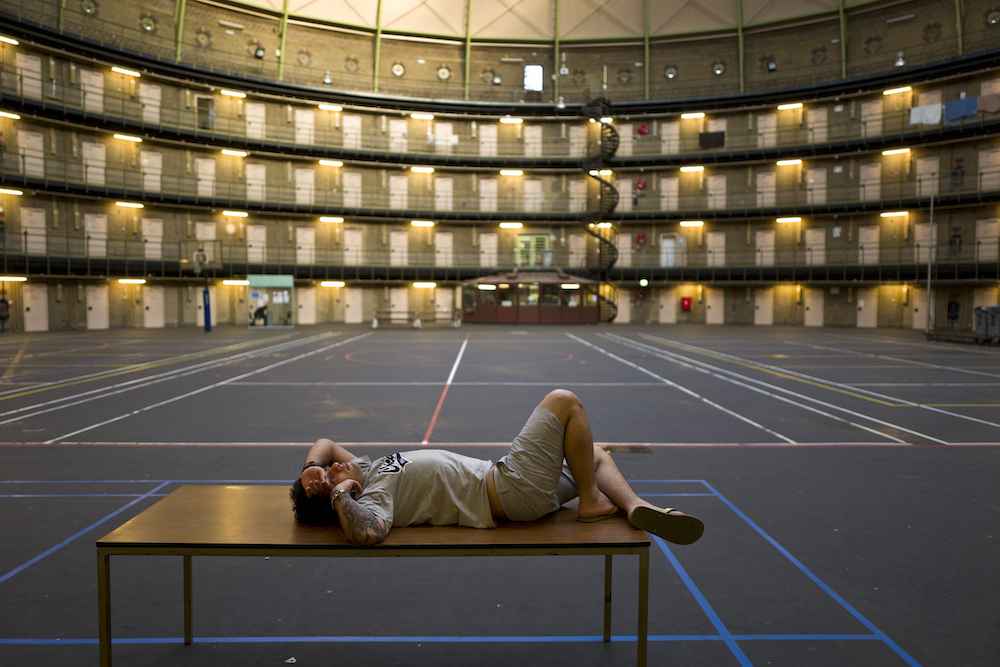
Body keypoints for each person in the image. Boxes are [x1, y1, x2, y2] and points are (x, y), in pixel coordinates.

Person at [289, 389, 703, 547]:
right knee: (564, 402)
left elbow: (324, 442)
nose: (337, 464)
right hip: (507, 488)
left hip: (513, 490)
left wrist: (312, 466)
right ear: (344, 496)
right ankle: (591, 501)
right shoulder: (373, 496)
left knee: (594, 455)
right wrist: (338, 494)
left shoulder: (367, 468)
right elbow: (368, 534)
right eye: (334, 475)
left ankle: (634, 508)